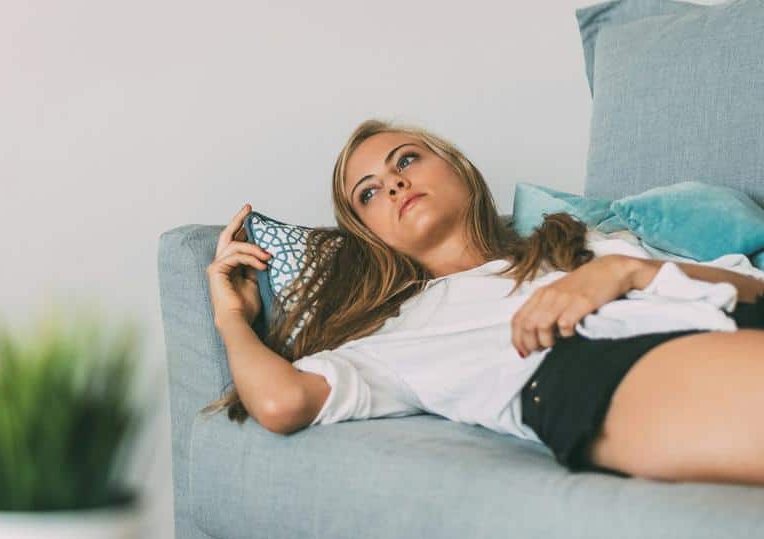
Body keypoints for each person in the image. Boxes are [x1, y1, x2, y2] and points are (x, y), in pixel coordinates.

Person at [204, 118, 764, 484]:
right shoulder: (400, 334)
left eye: (405, 161)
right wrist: (232, 317)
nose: (394, 184)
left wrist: (627, 271)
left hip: (725, 315)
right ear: (368, 233)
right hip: (602, 367)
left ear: (459, 169)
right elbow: (280, 404)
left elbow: (750, 288)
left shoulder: (573, 242)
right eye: (369, 193)